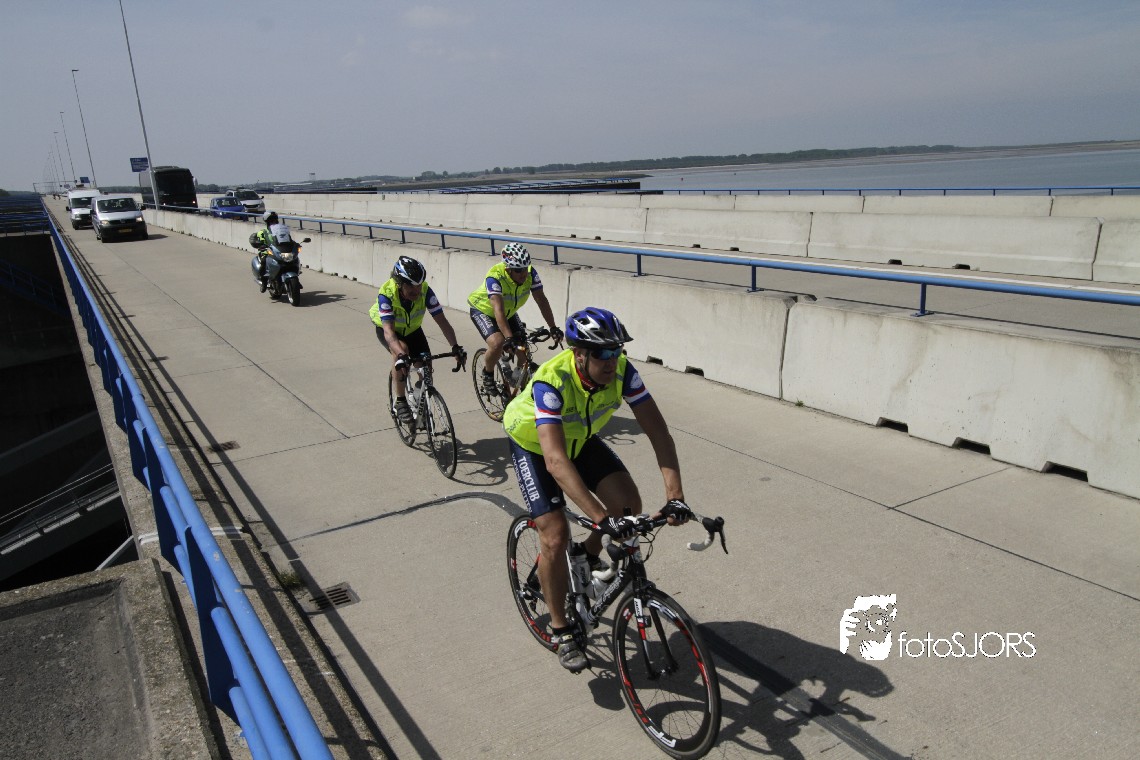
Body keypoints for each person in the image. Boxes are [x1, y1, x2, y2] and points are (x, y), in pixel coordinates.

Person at [502, 307, 692, 672]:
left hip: (579, 439)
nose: (612, 360)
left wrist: (675, 496)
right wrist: (600, 518)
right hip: (535, 445)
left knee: (628, 504)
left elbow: (658, 431)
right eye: (603, 352)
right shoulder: (551, 382)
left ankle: (587, 555)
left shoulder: (623, 372)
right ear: (579, 354)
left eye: (617, 350)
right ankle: (562, 630)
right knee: (555, 534)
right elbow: (555, 461)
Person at [370, 256, 463, 423]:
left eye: (419, 285)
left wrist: (455, 346)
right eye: (411, 287)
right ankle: (400, 401)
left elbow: (442, 321)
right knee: (402, 352)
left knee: (426, 367)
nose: (417, 291)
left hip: (413, 330)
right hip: (389, 330)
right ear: (399, 284)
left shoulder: (426, 291)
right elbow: (389, 333)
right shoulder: (387, 295)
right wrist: (401, 355)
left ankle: (419, 402)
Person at [468, 242, 563, 396]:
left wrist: (553, 327)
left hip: (508, 313)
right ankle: (488, 373)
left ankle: (517, 378)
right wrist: (509, 338)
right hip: (484, 311)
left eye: (525, 268)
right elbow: (498, 311)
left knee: (523, 347)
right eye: (518, 270)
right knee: (498, 343)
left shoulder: (531, 273)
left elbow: (541, 299)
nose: (523, 273)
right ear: (508, 269)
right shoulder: (495, 278)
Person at [254, 211, 296, 292]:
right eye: (271, 221)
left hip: (279, 250)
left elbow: (288, 239)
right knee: (263, 261)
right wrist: (261, 245)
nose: (273, 222)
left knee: (294, 259)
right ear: (267, 222)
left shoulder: (282, 230)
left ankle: (294, 280)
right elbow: (260, 241)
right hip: (267, 251)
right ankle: (264, 281)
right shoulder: (263, 232)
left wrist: (294, 244)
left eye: (275, 220)